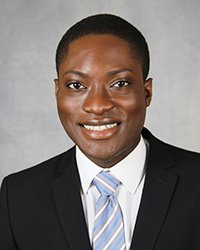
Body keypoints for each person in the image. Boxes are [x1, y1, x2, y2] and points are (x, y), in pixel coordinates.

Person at [0, 14, 200, 250]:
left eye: (119, 84)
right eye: (76, 85)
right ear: (57, 93)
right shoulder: (18, 197)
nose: (97, 105)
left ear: (146, 92)